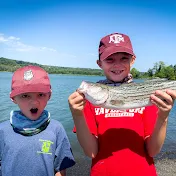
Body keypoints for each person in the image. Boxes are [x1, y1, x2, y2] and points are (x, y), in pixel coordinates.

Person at [68, 32, 176, 176]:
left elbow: (153, 151)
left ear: (133, 60)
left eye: (124, 58)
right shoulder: (88, 102)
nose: (117, 64)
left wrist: (163, 116)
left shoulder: (151, 97)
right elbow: (90, 152)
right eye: (110, 59)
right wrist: (77, 114)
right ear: (99, 63)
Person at [0, 65, 75, 176]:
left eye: (40, 94)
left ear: (49, 96)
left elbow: (60, 169)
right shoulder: (3, 130)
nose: (34, 102)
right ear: (13, 98)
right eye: (25, 96)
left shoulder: (56, 129)